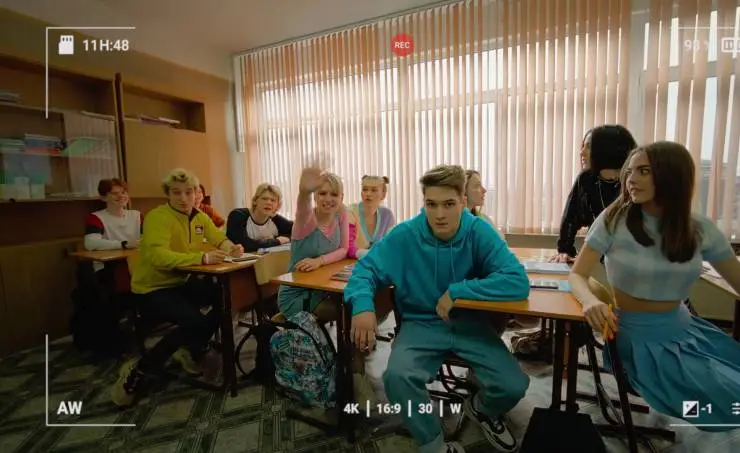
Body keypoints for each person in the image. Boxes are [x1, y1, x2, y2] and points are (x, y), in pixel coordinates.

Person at [345, 165, 530, 453]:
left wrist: (458, 291)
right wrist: (362, 306)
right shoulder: (405, 234)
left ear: (463, 203)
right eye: (431, 204)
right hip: (421, 323)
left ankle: (481, 409)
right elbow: (365, 270)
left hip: (470, 324)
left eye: (449, 204)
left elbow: (517, 281)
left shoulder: (478, 230)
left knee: (513, 385)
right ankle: (432, 443)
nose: (439, 214)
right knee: (396, 378)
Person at [569, 141, 740, 430]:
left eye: (644, 171)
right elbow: (577, 275)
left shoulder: (700, 229)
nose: (631, 180)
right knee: (724, 397)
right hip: (636, 340)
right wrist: (590, 301)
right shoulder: (613, 220)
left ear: (672, 175)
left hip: (686, 331)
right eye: (630, 171)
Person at [111, 169, 244, 407]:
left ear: (196, 193)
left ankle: (191, 344)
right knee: (195, 321)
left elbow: (218, 238)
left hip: (180, 282)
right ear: (168, 194)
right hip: (151, 289)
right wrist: (200, 258)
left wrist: (232, 247)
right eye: (176, 193)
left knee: (228, 297)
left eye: (189, 192)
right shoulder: (157, 217)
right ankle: (142, 367)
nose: (183, 198)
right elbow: (158, 256)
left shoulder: (199, 216)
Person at [551, 125, 637, 263]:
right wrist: (564, 250)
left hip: (631, 260)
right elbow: (570, 218)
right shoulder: (586, 179)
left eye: (589, 147)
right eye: (583, 146)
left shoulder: (634, 181)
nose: (581, 152)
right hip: (596, 257)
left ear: (608, 149)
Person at [226, 183, 293, 252]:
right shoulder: (238, 215)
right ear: (255, 201)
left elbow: (297, 232)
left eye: (273, 200)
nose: (269, 202)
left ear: (278, 205)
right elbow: (245, 245)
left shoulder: (275, 219)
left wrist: (273, 239)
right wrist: (276, 241)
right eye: (264, 199)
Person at [84, 178, 142, 252]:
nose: (121, 196)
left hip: (135, 257)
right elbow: (91, 243)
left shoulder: (137, 215)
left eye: (123, 192)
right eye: (115, 193)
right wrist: (124, 244)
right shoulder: (95, 218)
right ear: (103, 198)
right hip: (111, 259)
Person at [347, 175, 396, 259]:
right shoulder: (351, 211)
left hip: (379, 262)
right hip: (352, 261)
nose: (368, 194)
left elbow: (391, 246)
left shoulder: (387, 215)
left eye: (374, 190)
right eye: (365, 189)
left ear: (383, 194)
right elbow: (353, 247)